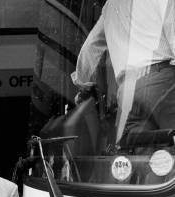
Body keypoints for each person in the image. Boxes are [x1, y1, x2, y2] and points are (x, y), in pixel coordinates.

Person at [71, 0, 175, 141]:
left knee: (140, 156)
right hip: (162, 83)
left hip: (128, 93)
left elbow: (90, 47)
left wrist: (82, 84)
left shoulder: (110, 6)